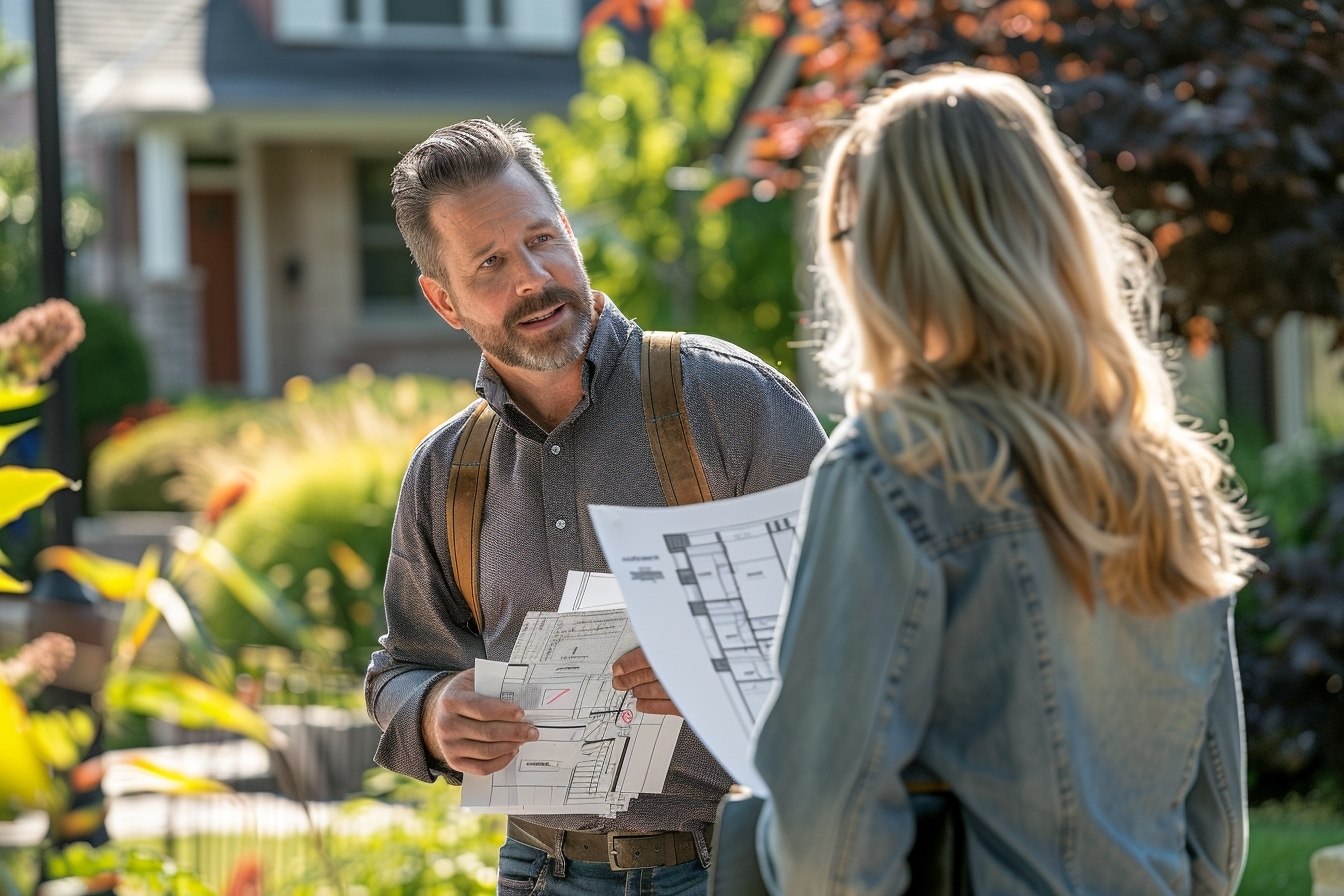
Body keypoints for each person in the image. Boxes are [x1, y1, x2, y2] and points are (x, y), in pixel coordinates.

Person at [749, 65, 1261, 895]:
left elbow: (826, 840)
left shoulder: (892, 466)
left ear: (894, 252)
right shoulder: (1171, 475)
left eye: (849, 237)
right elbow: (1216, 833)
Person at [363, 118, 827, 896]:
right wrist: (434, 711)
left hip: (738, 864)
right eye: (490, 264)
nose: (532, 279)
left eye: (543, 239)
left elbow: (860, 622)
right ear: (444, 301)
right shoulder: (447, 471)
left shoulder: (731, 402)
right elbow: (401, 666)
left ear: (571, 233)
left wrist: (718, 676)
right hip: (542, 871)